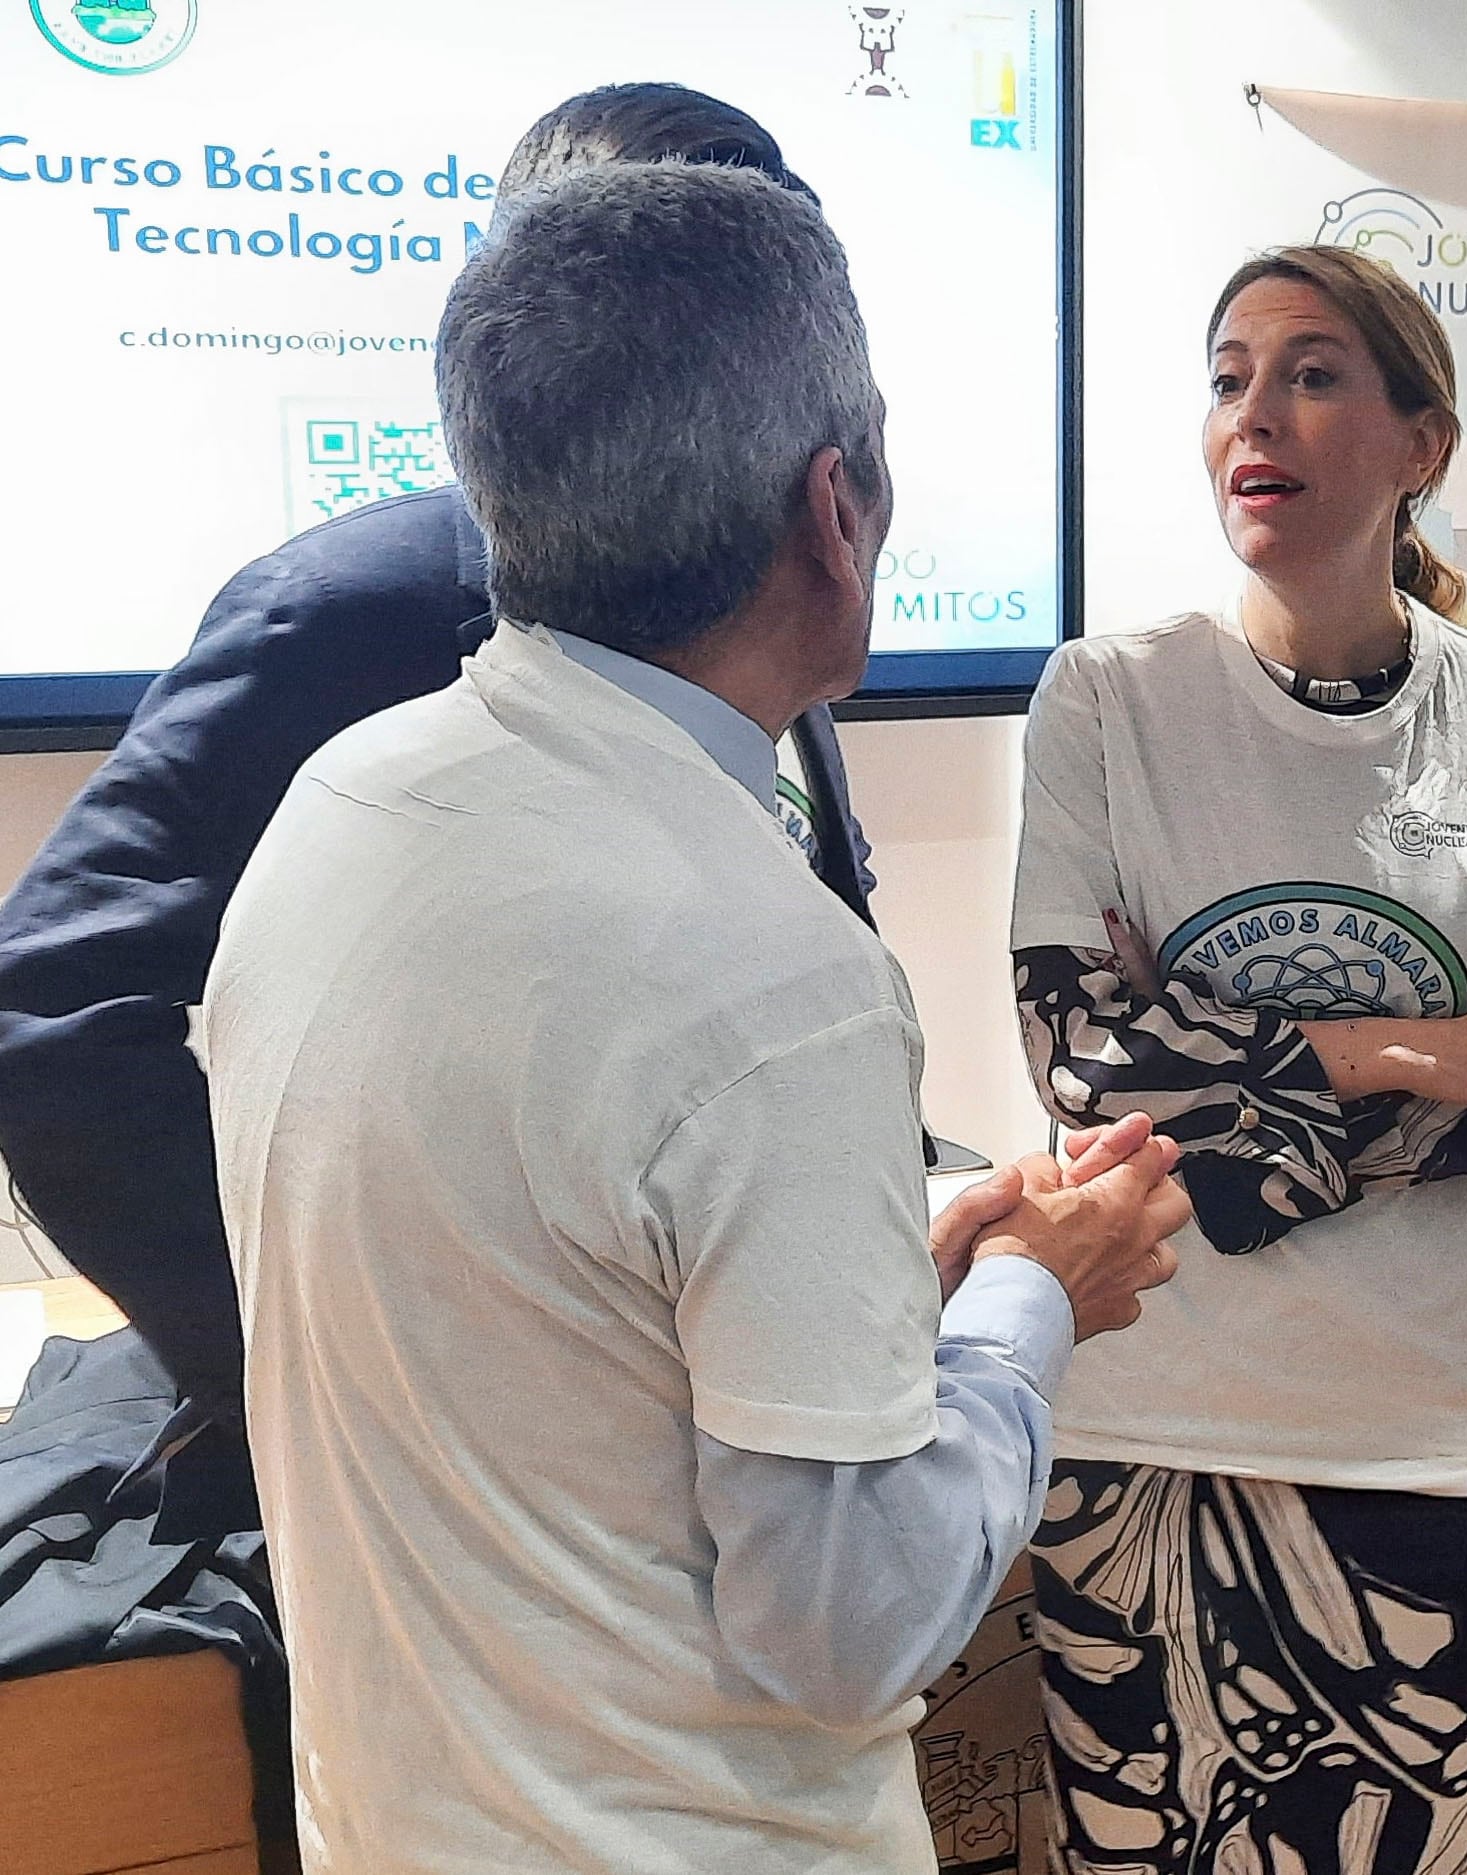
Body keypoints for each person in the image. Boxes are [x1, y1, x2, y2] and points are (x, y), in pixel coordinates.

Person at [200, 162, 1186, 1873]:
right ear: (838, 503)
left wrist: (895, 1309)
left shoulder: (340, 808)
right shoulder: (767, 975)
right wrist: (1034, 1300)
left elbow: (560, 1347)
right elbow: (852, 1622)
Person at [0, 84, 879, 1534]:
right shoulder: (356, 607)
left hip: (710, 1434)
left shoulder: (774, 566)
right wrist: (302, 1370)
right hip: (440, 1499)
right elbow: (55, 1006)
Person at [1008, 244, 1467, 1874]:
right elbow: (1081, 1057)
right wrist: (1413, 1047)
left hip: (1435, 1430)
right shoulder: (1106, 700)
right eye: (1227, 377)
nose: (1253, 412)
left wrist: (1212, 1107)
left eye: (1313, 371)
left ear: (1424, 445)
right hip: (1149, 1424)